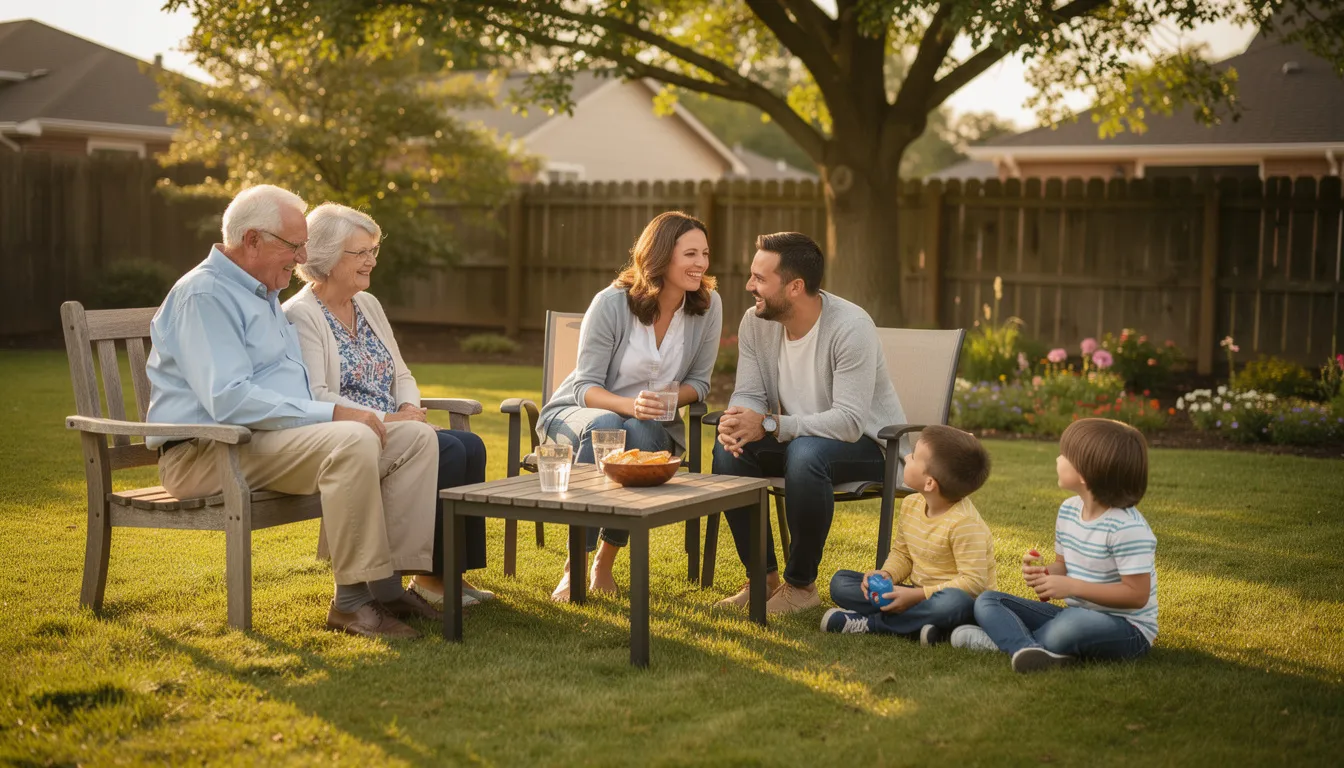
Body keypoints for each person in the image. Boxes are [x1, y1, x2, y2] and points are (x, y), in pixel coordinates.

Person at [147, 185, 440, 640]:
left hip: (263, 440)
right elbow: (228, 399)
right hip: (207, 452)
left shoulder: (260, 291)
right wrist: (333, 414)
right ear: (252, 240)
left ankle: (386, 587)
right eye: (293, 246)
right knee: (353, 437)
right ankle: (351, 604)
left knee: (417, 438)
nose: (303, 256)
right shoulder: (205, 295)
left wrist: (334, 415)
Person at [283, 203, 493, 610]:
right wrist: (391, 418)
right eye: (360, 252)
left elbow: (401, 374)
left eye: (373, 250)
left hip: (397, 424)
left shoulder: (368, 305)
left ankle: (451, 574)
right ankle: (426, 579)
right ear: (326, 257)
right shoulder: (301, 315)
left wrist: (409, 409)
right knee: (448, 447)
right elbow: (317, 395)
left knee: (472, 447)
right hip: (353, 433)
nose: (371, 261)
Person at [712, 232, 906, 615]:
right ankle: (763, 579)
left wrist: (769, 424)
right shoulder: (756, 322)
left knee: (804, 453)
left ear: (795, 286)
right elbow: (750, 391)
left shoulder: (850, 327)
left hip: (871, 445)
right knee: (729, 452)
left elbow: (849, 422)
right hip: (798, 436)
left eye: (760, 279)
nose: (750, 286)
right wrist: (737, 419)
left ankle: (800, 586)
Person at [538, 211, 722, 601]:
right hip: (578, 411)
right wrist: (629, 404)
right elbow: (586, 385)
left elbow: (701, 384)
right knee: (610, 424)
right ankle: (574, 564)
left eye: (704, 254)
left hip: (649, 427)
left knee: (639, 433)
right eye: (690, 254)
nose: (701, 264)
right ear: (660, 256)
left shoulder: (708, 306)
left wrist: (670, 400)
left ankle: (603, 561)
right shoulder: (611, 303)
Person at [959, 418, 1158, 673]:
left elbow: (1136, 595)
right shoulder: (1069, 510)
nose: (1057, 459)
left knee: (1070, 626)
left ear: (1086, 474)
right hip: (1074, 614)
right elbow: (1062, 566)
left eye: (1065, 455)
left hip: (1128, 629)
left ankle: (1005, 641)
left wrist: (1073, 586)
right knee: (988, 601)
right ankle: (1028, 649)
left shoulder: (1127, 529)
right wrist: (1045, 575)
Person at [821, 426, 995, 644]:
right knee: (841, 583)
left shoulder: (965, 524)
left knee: (952, 603)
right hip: (917, 597)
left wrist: (917, 596)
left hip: (958, 603)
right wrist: (887, 575)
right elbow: (903, 553)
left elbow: (974, 583)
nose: (908, 457)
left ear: (930, 482)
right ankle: (926, 628)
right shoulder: (912, 504)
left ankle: (873, 624)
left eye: (913, 456)